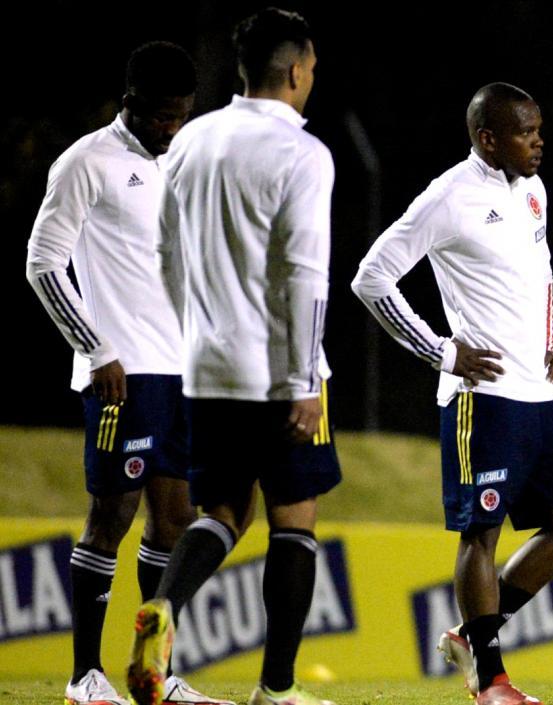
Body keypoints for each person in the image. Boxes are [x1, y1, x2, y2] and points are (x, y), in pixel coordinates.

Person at [352, 82, 553, 705]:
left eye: (539, 129)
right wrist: (440, 349)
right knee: (480, 535)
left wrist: (552, 343)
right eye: (525, 132)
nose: (539, 142)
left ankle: (470, 635)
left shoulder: (534, 191)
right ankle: (490, 679)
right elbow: (371, 278)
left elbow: (542, 275)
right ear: (488, 138)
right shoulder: (448, 198)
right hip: (481, 397)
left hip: (542, 392)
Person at [124, 9, 340, 705]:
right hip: (279, 370)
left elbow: (165, 252)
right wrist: (306, 378)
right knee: (294, 519)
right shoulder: (303, 154)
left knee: (220, 509)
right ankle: (276, 689)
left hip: (207, 366)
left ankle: (163, 606)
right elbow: (306, 272)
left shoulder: (191, 142)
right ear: (297, 68)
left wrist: (197, 334)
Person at [26, 40, 233, 705]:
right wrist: (95, 347)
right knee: (111, 512)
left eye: (181, 115)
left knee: (174, 520)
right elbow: (43, 264)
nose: (171, 129)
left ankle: (156, 673)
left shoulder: (186, 164)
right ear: (131, 103)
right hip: (122, 372)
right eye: (160, 116)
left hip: (180, 373)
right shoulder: (87, 162)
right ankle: (85, 674)